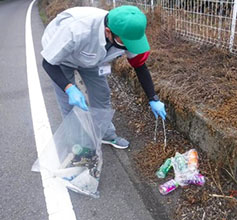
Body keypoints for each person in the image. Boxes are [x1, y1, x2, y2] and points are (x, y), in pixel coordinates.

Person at [41, 5, 166, 149]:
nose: (129, 47)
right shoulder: (76, 30)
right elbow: (48, 63)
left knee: (102, 94)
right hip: (62, 59)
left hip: (93, 59)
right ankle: (78, 147)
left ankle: (105, 134)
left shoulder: (128, 32)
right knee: (70, 105)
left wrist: (153, 97)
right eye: (125, 43)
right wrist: (69, 88)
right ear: (108, 32)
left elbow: (139, 66)